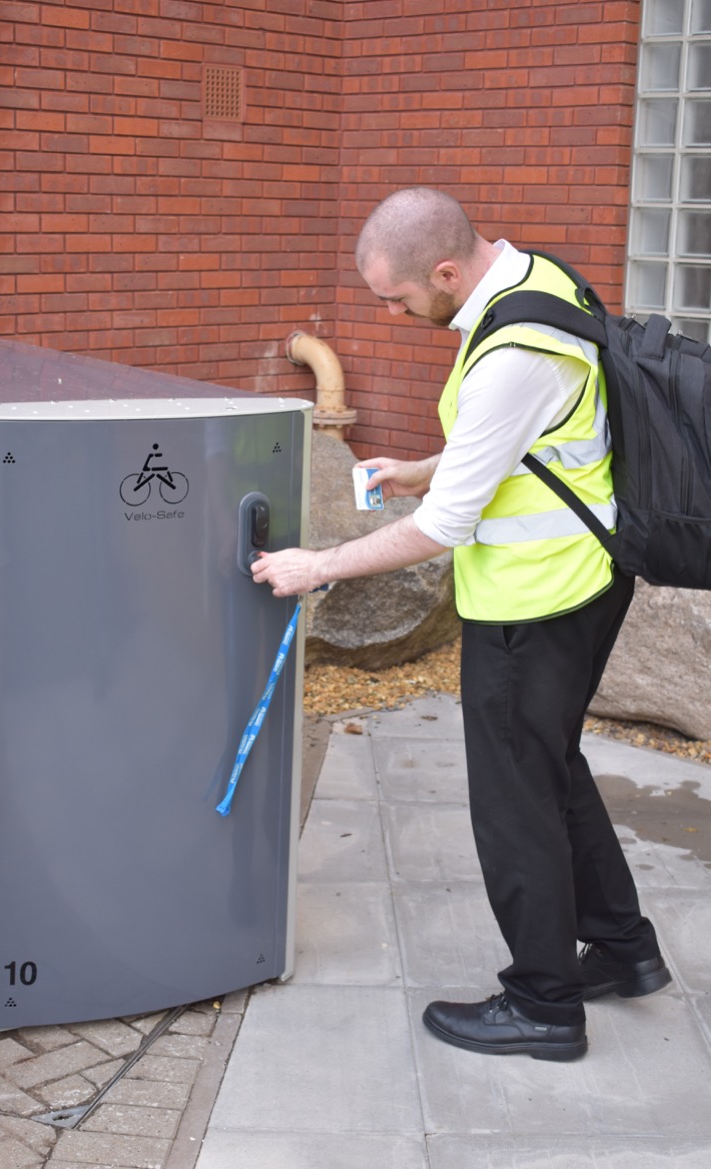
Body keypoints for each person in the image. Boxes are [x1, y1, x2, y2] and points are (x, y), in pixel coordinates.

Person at [252, 187, 672, 1063]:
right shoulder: (539, 281)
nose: (396, 314)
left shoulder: (508, 352)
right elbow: (529, 437)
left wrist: (317, 566)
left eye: (399, 299)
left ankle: (544, 1005)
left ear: (445, 270)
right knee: (553, 768)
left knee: (515, 797)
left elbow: (446, 528)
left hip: (533, 602)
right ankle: (623, 949)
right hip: (585, 583)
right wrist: (425, 467)